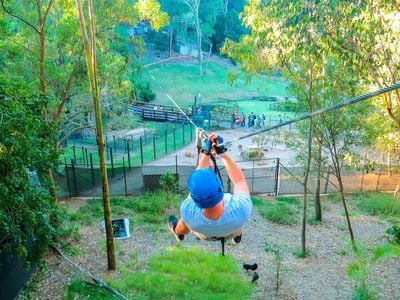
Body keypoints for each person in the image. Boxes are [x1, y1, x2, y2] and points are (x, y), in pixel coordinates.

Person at [168, 133, 252, 243]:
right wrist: (222, 153)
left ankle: (177, 231)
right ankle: (237, 235)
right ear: (220, 188)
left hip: (205, 235)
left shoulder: (187, 210)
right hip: (232, 230)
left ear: (193, 198)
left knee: (184, 222)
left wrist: (206, 153)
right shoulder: (241, 208)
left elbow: (197, 184)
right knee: (239, 222)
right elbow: (239, 180)